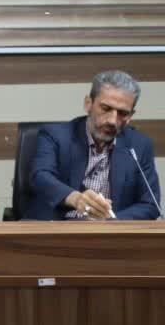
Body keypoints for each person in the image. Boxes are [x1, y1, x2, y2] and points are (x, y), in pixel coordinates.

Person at [25, 70, 161, 221]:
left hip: (110, 231)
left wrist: (111, 221)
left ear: (130, 116)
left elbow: (150, 204)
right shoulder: (55, 135)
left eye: (122, 113)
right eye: (106, 108)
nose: (112, 121)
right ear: (88, 104)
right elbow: (40, 176)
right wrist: (76, 199)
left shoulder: (138, 146)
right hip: (59, 227)